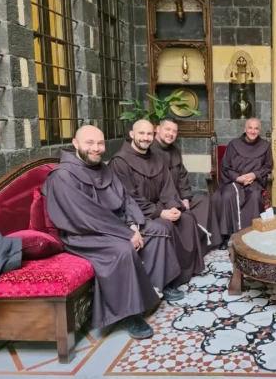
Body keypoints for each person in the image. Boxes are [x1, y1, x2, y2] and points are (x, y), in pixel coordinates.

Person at [43, 125, 184, 339]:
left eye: (100, 143)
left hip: (114, 227)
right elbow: (87, 217)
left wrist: (133, 224)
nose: (96, 148)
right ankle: (128, 313)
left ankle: (156, 287)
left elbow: (125, 199)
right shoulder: (63, 176)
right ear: (75, 143)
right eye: (90, 143)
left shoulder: (104, 168)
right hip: (84, 235)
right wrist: (126, 233)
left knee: (157, 230)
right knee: (123, 250)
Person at [109, 119, 205, 283]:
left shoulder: (157, 158)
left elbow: (167, 187)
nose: (146, 138)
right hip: (139, 213)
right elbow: (128, 197)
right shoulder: (120, 161)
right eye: (141, 133)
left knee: (187, 218)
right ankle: (170, 280)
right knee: (166, 225)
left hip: (160, 206)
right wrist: (160, 212)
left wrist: (173, 206)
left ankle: (187, 271)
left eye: (149, 134)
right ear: (132, 134)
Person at [151, 118, 222, 250]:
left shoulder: (175, 151)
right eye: (167, 129)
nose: (171, 134)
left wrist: (185, 197)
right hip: (163, 201)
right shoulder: (150, 152)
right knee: (184, 215)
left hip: (178, 196)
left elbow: (183, 176)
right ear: (158, 129)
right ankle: (192, 244)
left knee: (204, 201)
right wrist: (174, 202)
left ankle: (206, 241)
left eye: (174, 131)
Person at [212, 118, 273, 248]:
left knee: (255, 196)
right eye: (250, 128)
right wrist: (237, 178)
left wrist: (254, 175)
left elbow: (268, 166)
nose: (253, 131)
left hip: (254, 182)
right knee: (227, 195)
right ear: (245, 129)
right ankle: (227, 235)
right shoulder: (233, 144)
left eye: (256, 128)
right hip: (234, 181)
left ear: (259, 130)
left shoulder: (265, 146)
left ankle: (251, 234)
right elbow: (225, 166)